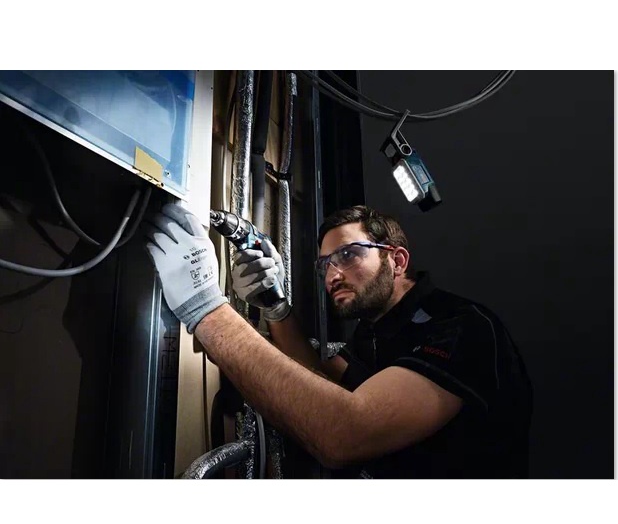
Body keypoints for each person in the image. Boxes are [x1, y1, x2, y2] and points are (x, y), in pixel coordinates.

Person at [145, 203, 533, 479]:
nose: (332, 275)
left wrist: (206, 309)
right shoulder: (374, 330)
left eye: (348, 255)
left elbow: (345, 432)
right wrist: (276, 306)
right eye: (325, 264)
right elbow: (320, 377)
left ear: (397, 261)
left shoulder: (458, 327)